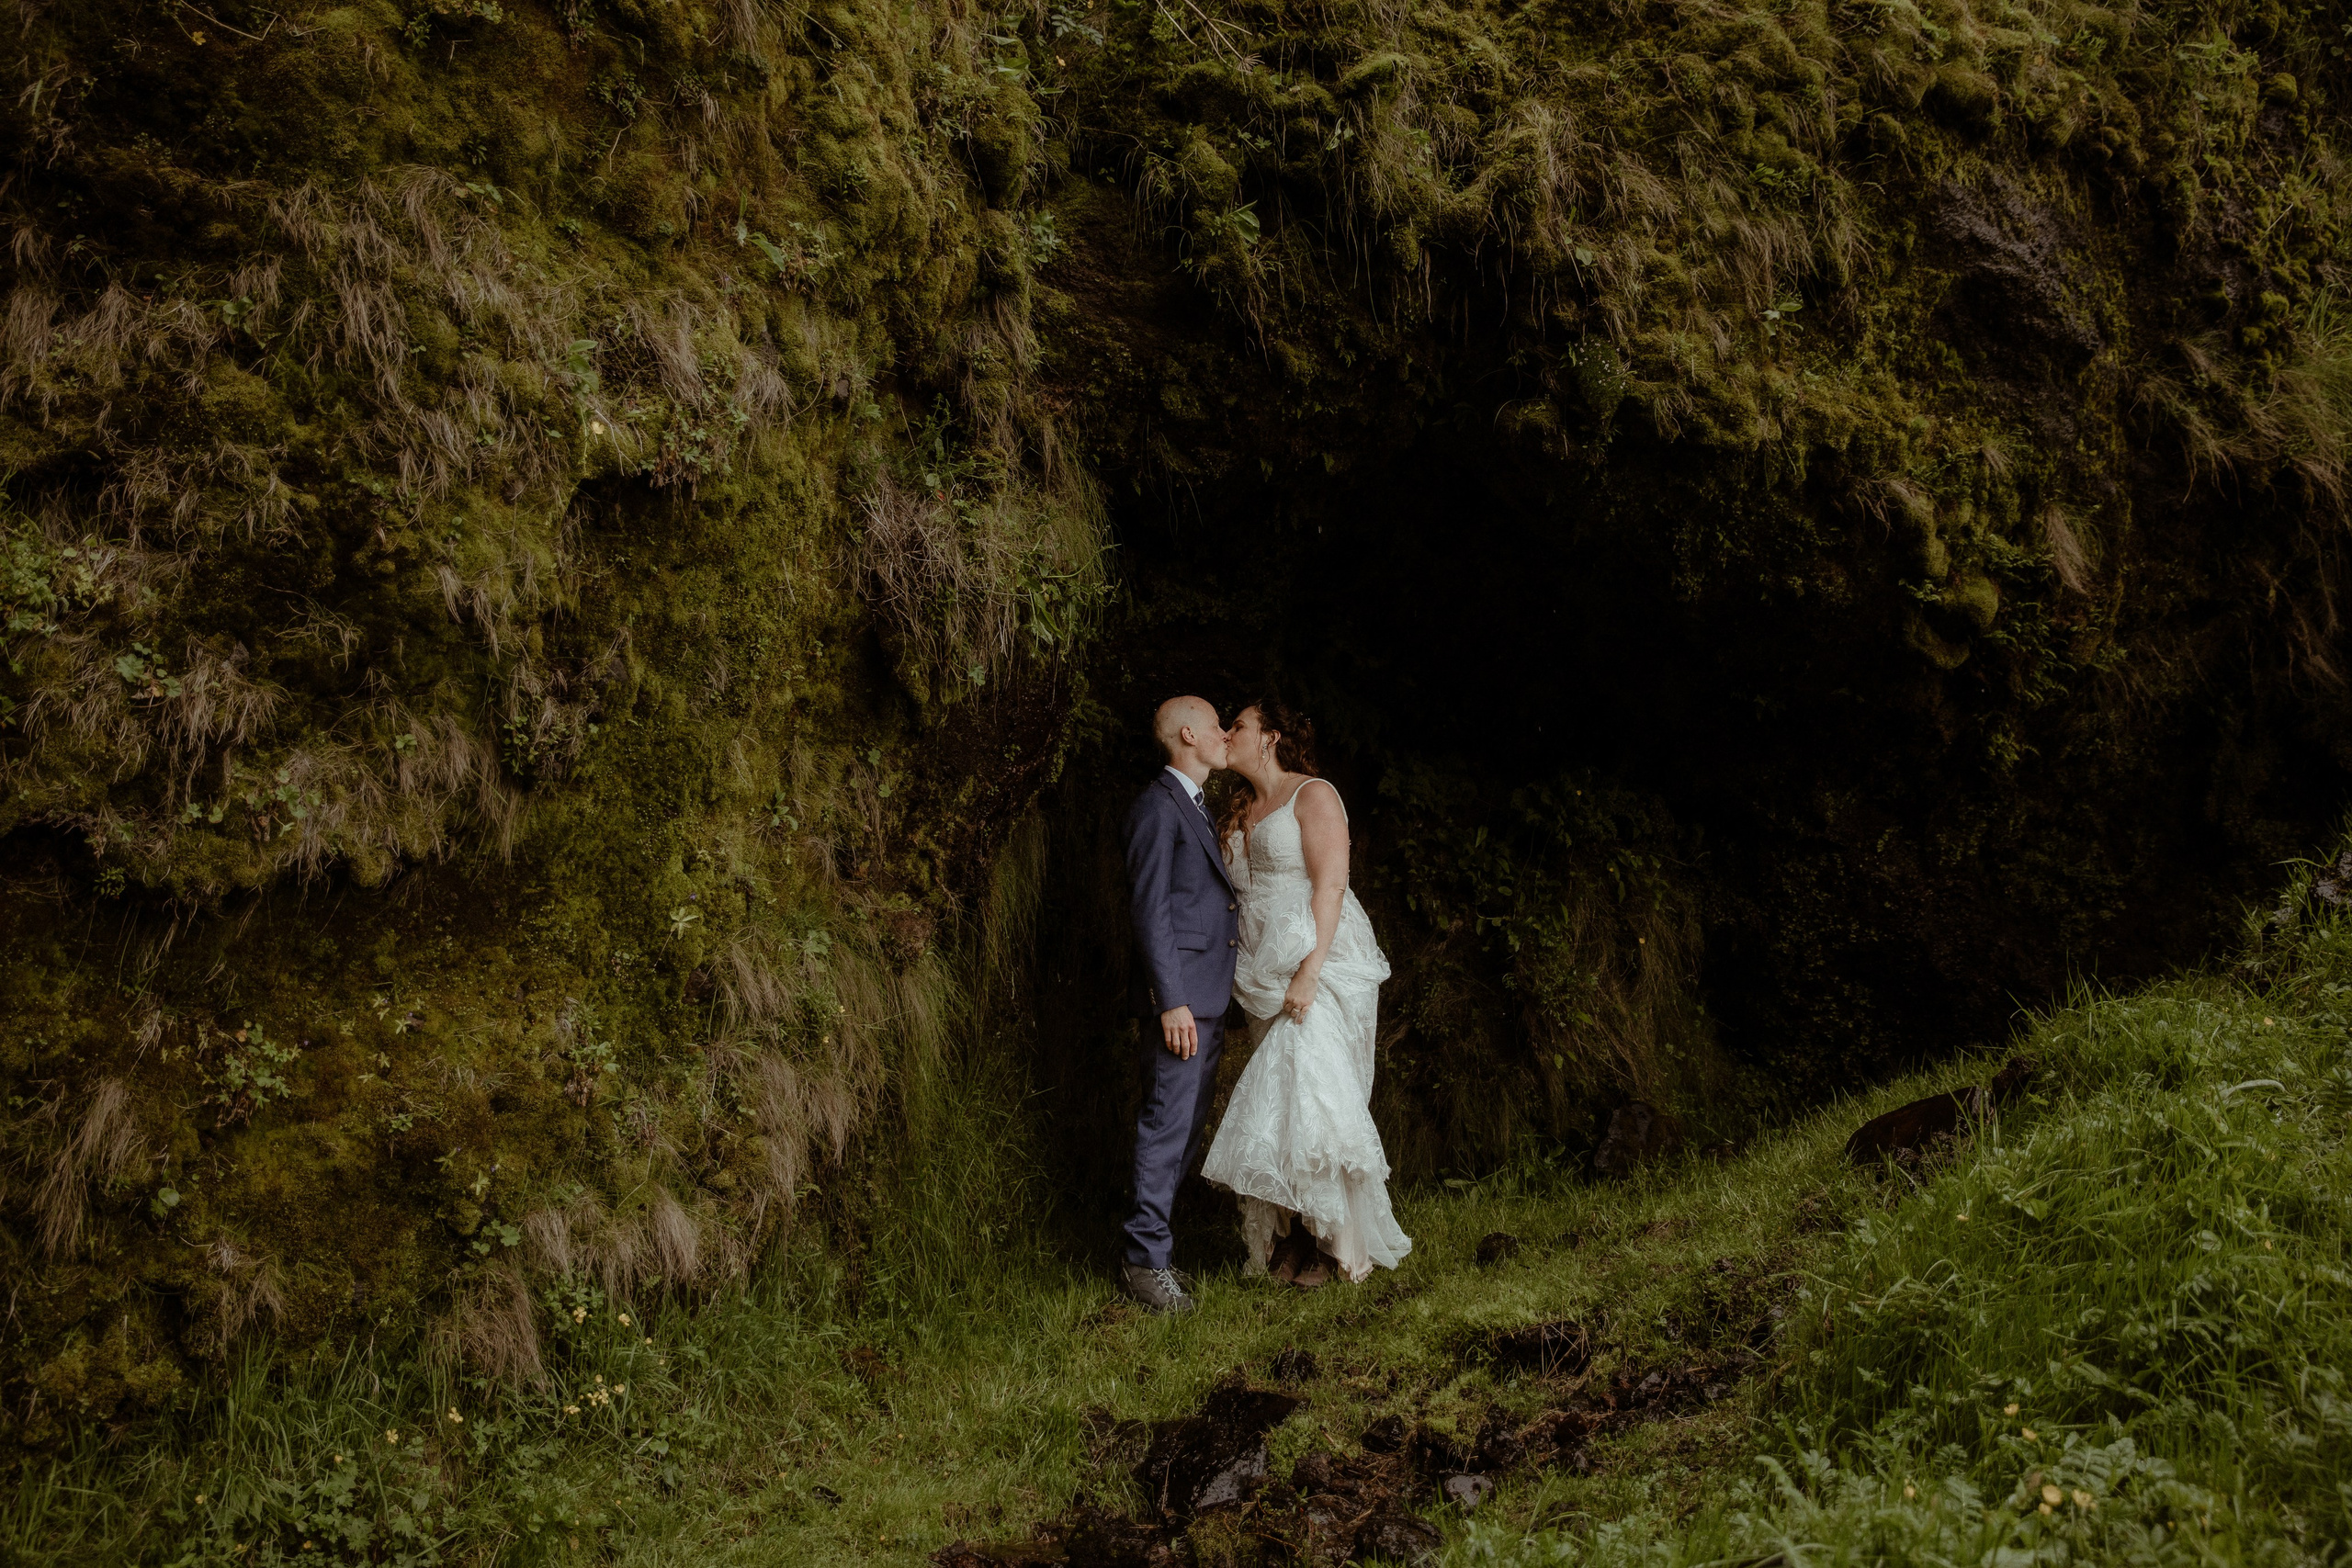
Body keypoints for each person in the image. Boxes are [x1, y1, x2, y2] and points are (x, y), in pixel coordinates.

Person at [1200, 700, 1410, 1287]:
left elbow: (1332, 883)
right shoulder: (1240, 809)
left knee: (1318, 1094)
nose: (1226, 733)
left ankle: (1332, 1241)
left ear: (1269, 737)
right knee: (1283, 1102)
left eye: (1236, 725)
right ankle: (1292, 1233)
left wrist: (1310, 970)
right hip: (1261, 973)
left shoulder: (1313, 795)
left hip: (1319, 960)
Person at [1116, 695, 1239, 1314]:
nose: (1225, 735)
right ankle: (1144, 1261)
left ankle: (1156, 1249)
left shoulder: (1193, 805)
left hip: (1206, 998)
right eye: (1218, 725)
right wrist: (1172, 1002)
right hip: (1182, 1001)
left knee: (1186, 1131)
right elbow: (1150, 910)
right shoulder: (1156, 807)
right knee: (1167, 1125)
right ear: (1188, 733)